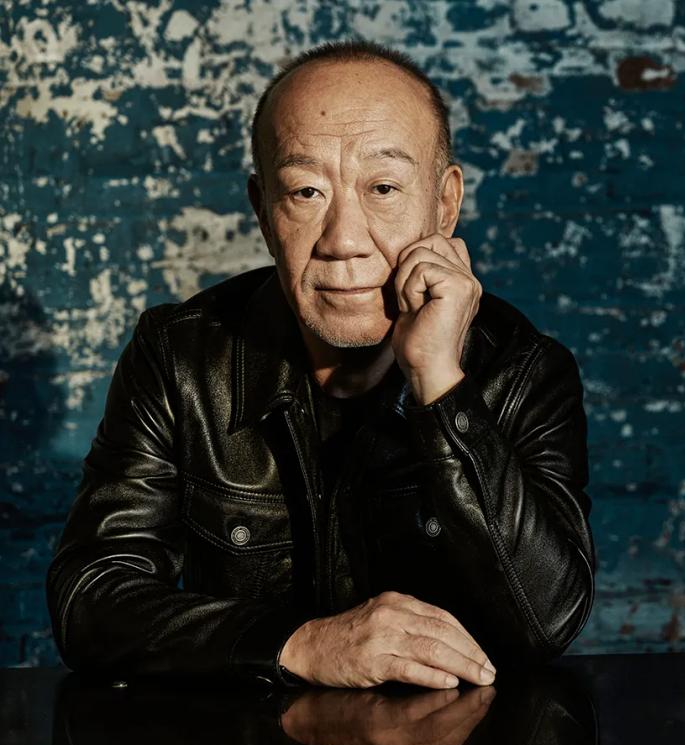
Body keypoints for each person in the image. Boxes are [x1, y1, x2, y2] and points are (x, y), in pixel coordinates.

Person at [45, 39, 597, 690]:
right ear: (262, 209)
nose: (343, 241)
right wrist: (301, 645)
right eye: (305, 192)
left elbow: (546, 621)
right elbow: (91, 599)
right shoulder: (181, 358)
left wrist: (440, 386)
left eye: (383, 188)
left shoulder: (524, 372)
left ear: (445, 203)